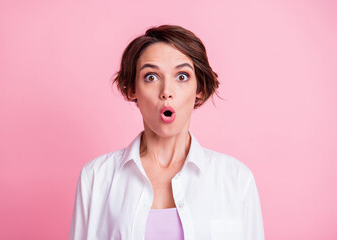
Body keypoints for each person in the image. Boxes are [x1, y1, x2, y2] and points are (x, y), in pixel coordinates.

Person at [69, 25, 264, 240]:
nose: (166, 92)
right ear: (132, 88)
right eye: (151, 77)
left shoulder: (236, 179)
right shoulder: (96, 178)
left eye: (182, 76)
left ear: (199, 88)